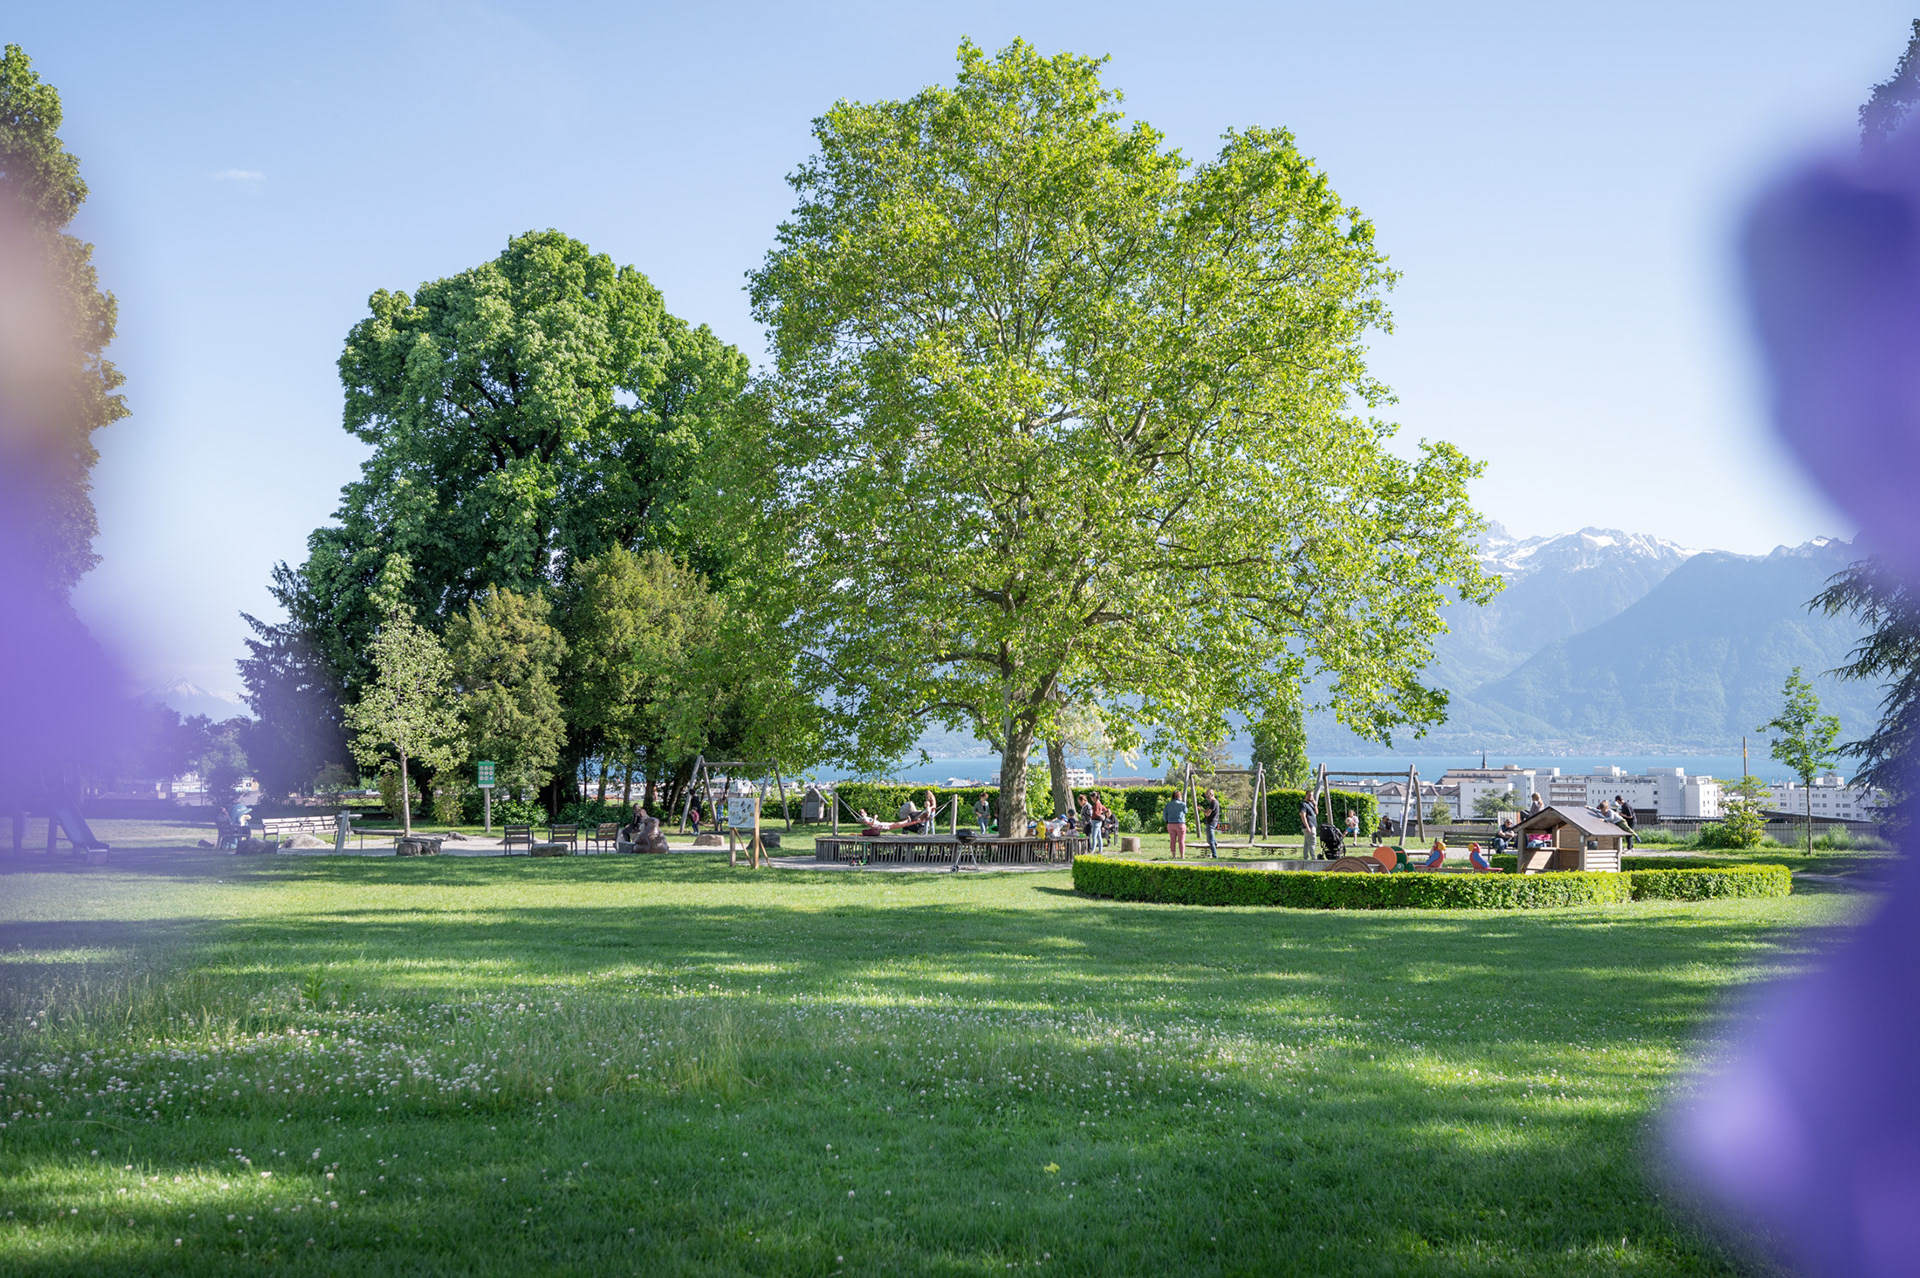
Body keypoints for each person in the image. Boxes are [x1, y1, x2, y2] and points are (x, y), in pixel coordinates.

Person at [1164, 792, 1188, 859]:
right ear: (1179, 796)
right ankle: (1182, 856)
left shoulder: (1168, 805)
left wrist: (1167, 821)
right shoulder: (1182, 804)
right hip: (1180, 823)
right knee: (1181, 840)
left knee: (1172, 841)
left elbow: (1165, 815)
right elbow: (1186, 811)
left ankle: (1173, 855)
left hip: (1170, 824)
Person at [1201, 789, 1221, 858]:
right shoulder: (1213, 803)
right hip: (1212, 822)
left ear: (1212, 794)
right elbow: (1207, 811)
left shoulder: (1214, 803)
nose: (1206, 796)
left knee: (1211, 841)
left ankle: (1215, 856)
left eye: (1208, 795)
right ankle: (1215, 844)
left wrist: (1204, 812)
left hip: (1211, 823)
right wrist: (1201, 809)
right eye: (1206, 795)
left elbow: (1207, 813)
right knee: (1210, 840)